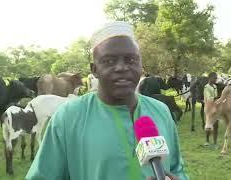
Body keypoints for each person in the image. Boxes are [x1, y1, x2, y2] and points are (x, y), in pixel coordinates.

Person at [26, 21, 188, 180]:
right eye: (109, 61)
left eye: (131, 59)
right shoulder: (68, 117)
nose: (122, 68)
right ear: (94, 70)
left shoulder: (161, 111)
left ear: (141, 65)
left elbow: (176, 168)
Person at [203, 72, 219, 147]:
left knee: (216, 125)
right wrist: (218, 98)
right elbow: (209, 98)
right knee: (208, 125)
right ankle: (207, 141)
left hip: (215, 107)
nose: (216, 79)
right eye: (215, 78)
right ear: (210, 78)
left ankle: (215, 142)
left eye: (216, 78)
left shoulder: (215, 86)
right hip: (209, 108)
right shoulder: (206, 87)